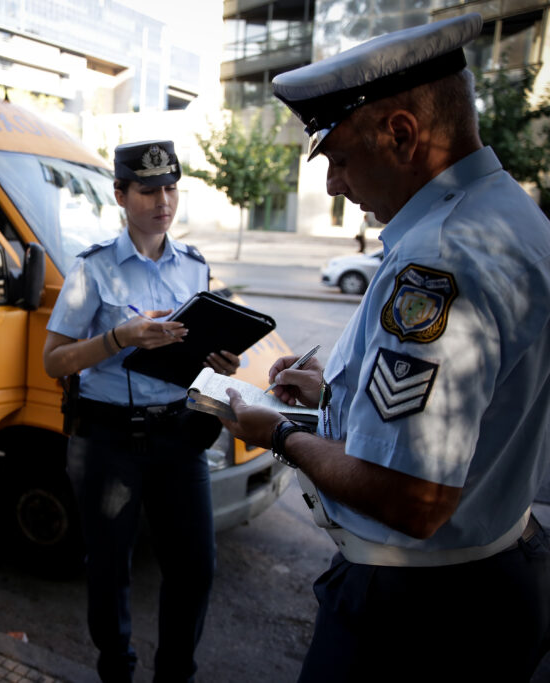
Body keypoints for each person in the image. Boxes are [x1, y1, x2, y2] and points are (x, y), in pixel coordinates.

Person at [221, 14, 550, 682]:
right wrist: (332, 393)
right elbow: (480, 405)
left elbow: (411, 497)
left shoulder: (436, 258)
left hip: (418, 618)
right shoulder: (512, 213)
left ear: (402, 134)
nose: (333, 185)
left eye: (339, 159)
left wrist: (277, 432)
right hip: (494, 575)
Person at [43, 140, 240, 682]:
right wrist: (118, 337)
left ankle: (175, 674)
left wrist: (219, 361)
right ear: (121, 195)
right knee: (109, 573)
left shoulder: (194, 267)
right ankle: (117, 671)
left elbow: (195, 357)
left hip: (179, 436)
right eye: (149, 189)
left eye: (171, 188)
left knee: (196, 569)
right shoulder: (92, 269)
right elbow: (54, 362)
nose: (163, 201)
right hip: (108, 442)